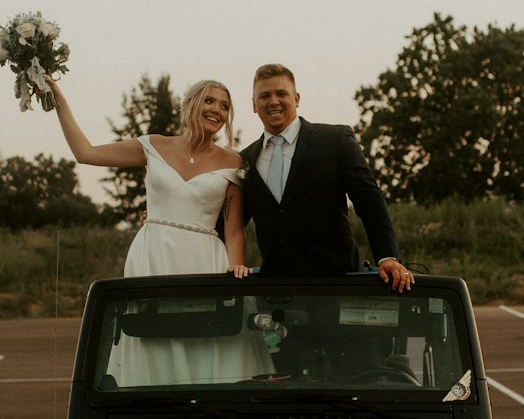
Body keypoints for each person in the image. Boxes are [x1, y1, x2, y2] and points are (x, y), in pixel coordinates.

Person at [47, 76, 251, 278]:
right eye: (209, 101)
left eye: (224, 106)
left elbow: (233, 231)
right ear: (187, 105)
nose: (217, 109)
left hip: (205, 259)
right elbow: (86, 153)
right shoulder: (153, 146)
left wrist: (236, 271)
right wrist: (59, 101)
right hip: (152, 253)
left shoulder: (232, 162)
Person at [240, 63, 414, 290]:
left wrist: (387, 256)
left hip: (338, 283)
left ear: (297, 98)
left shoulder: (335, 140)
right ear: (254, 105)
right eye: (264, 96)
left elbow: (369, 200)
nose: (273, 101)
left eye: (281, 93)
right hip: (277, 289)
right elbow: (233, 225)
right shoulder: (244, 160)